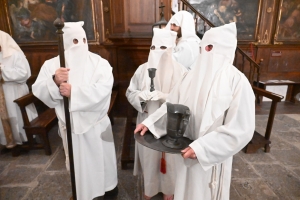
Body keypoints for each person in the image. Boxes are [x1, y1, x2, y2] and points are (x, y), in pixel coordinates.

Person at [134, 22, 255, 200]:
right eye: (202, 47)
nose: (205, 52)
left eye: (210, 47)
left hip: (209, 159)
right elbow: (172, 104)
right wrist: (151, 123)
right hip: (185, 152)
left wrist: (202, 148)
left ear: (225, 49)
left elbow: (241, 128)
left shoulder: (237, 81)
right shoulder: (190, 76)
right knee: (184, 192)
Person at [32, 21, 118, 200]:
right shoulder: (52, 65)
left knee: (102, 163)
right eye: (75, 41)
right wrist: (54, 81)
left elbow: (103, 90)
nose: (80, 46)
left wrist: (74, 93)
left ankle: (107, 191)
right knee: (78, 165)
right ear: (64, 43)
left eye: (83, 40)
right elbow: (38, 90)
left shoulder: (99, 63)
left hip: (96, 126)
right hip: (70, 127)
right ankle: (81, 192)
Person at [126, 28, 187, 200]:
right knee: (149, 158)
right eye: (153, 48)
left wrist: (165, 97)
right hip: (146, 121)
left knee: (172, 161)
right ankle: (150, 189)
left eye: (162, 48)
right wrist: (141, 98)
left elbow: (185, 99)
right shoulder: (142, 69)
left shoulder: (181, 71)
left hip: (171, 125)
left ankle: (169, 191)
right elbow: (130, 92)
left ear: (170, 50)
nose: (156, 53)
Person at [0, 30, 38, 147]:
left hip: (15, 91)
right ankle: (8, 141)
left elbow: (24, 74)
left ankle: (24, 139)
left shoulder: (15, 54)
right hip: (2, 93)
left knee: (17, 115)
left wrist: (3, 71)